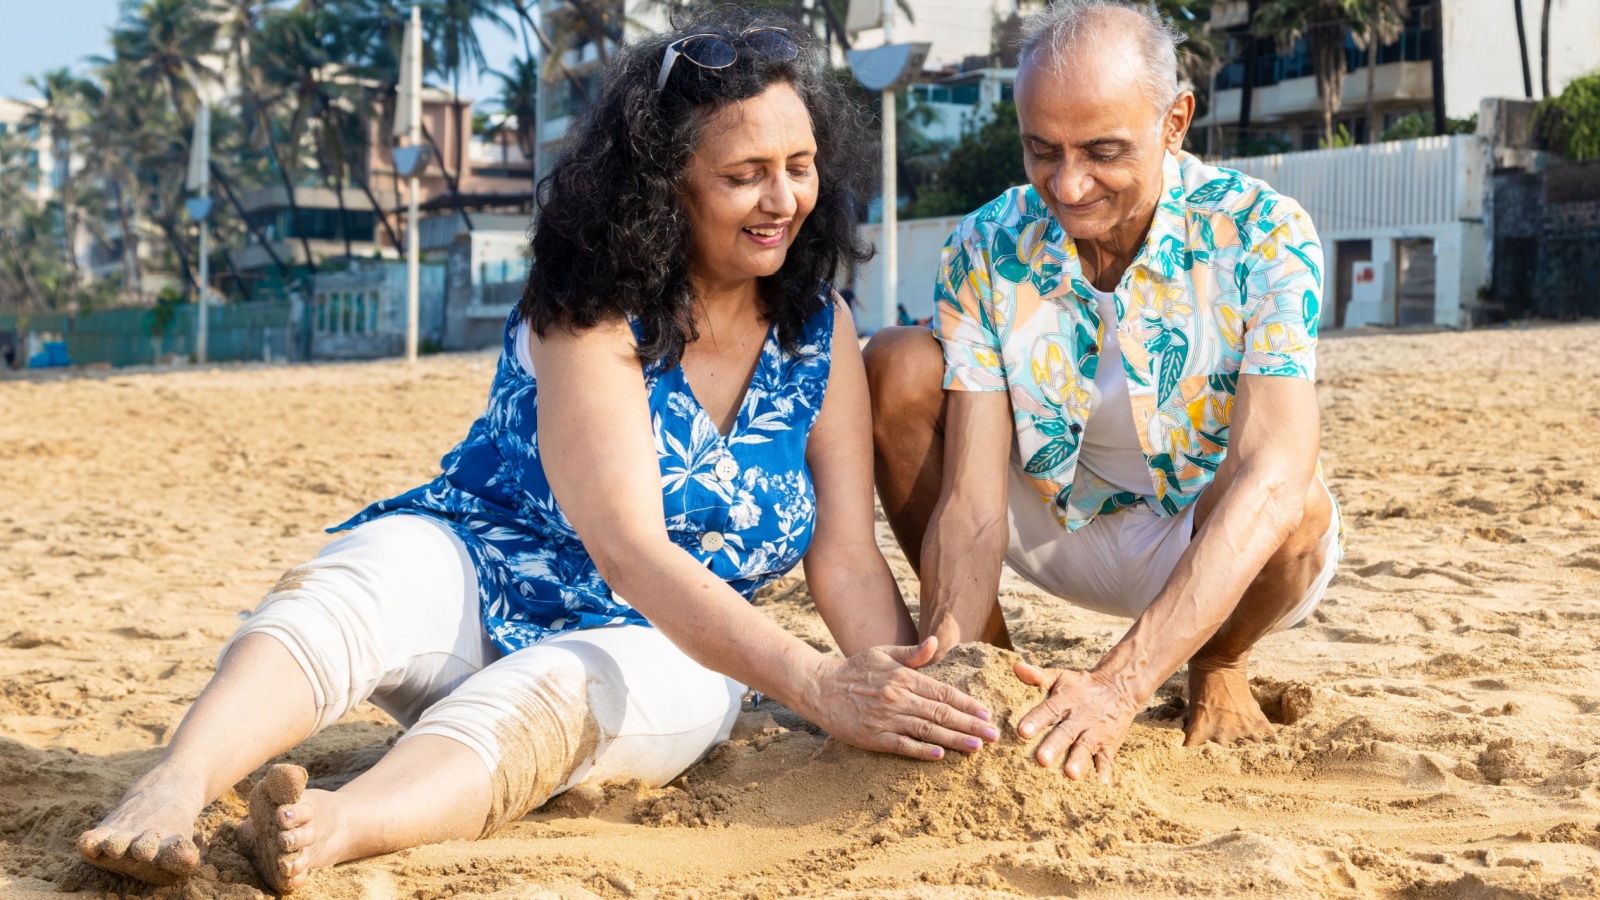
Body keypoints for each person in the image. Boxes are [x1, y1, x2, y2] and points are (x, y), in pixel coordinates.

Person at [76, 13, 997, 893]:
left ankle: (337, 825)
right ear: (665, 178)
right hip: (479, 578)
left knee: (566, 690)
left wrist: (905, 695)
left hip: (671, 641)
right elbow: (628, 548)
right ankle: (175, 785)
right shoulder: (589, 306)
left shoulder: (817, 330)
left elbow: (841, 554)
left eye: (799, 166)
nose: (784, 199)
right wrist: (814, 684)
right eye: (745, 173)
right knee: (369, 576)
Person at [865, 0, 1341, 786]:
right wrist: (959, 670)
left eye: (1103, 150)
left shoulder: (1263, 231)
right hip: (1056, 521)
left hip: (1201, 538)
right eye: (1042, 150)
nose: (1069, 183)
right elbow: (974, 501)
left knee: (1300, 509)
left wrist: (1118, 688)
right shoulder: (986, 242)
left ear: (1175, 121)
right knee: (898, 367)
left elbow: (1274, 478)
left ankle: (1216, 659)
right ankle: (998, 672)